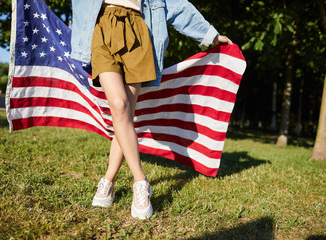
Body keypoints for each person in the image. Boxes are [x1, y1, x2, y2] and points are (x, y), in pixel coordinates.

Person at [70, 0, 232, 220]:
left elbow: (178, 6)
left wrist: (211, 36)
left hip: (139, 30)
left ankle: (108, 181)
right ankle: (140, 180)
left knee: (124, 114)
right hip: (103, 27)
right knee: (118, 105)